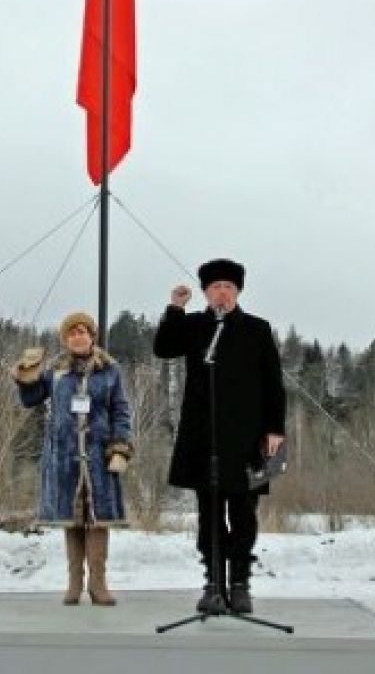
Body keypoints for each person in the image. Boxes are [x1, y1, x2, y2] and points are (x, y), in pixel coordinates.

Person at [153, 258, 285, 614]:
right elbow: (163, 348)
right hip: (204, 437)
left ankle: (240, 583)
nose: (222, 293)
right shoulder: (195, 326)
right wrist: (175, 309)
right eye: (215, 287)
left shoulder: (257, 329)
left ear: (237, 292)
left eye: (228, 287)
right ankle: (213, 582)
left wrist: (275, 429)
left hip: (247, 439)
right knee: (209, 514)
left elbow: (273, 383)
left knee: (243, 514)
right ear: (205, 293)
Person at [11, 311, 133, 606]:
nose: (78, 337)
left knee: (98, 520)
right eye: (72, 333)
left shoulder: (110, 371)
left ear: (92, 337)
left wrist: (120, 446)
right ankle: (74, 583)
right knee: (73, 519)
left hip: (99, 456)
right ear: (66, 340)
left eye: (83, 332)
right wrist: (26, 376)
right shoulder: (55, 373)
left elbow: (120, 410)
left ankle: (98, 584)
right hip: (64, 457)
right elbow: (30, 400)